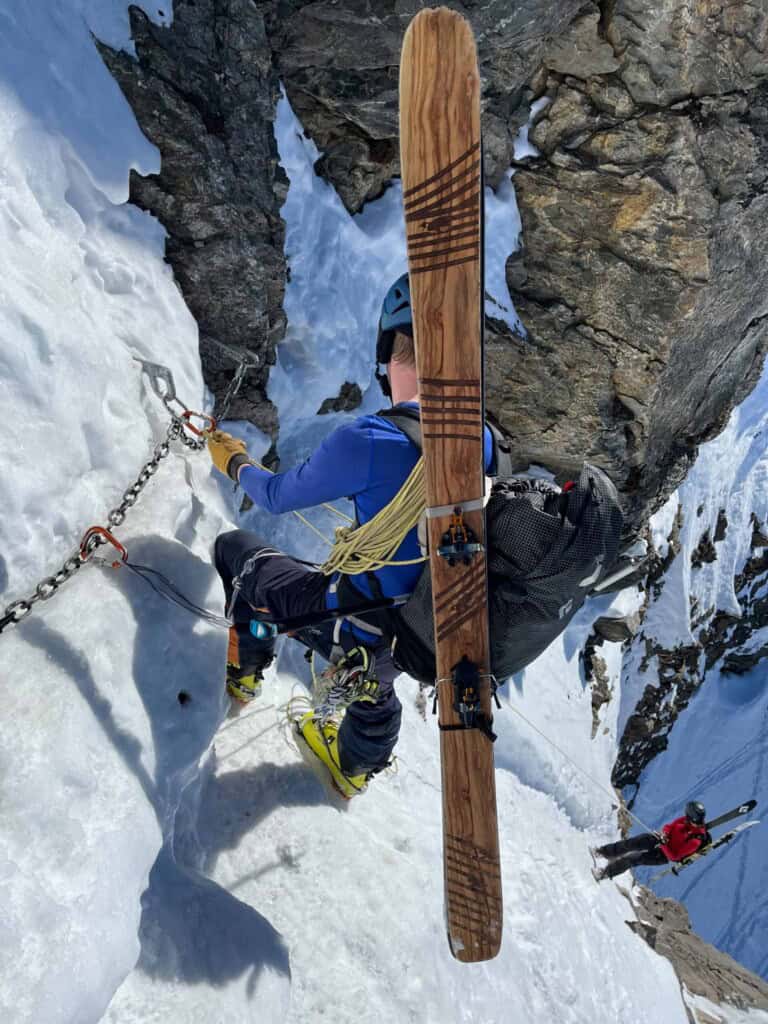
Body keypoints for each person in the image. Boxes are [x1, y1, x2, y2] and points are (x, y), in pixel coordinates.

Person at [208, 273, 495, 798]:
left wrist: (236, 462)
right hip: (423, 633)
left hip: (354, 620)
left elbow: (274, 497)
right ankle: (354, 763)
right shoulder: (484, 441)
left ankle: (244, 668)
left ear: (388, 355)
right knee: (372, 681)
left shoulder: (371, 439)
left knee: (240, 558)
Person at [591, 801, 712, 881]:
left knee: (633, 859)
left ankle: (605, 873)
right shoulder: (685, 820)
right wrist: (664, 834)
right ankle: (604, 852)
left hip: (663, 855)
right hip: (661, 840)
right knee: (633, 843)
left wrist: (664, 844)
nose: (685, 813)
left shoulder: (696, 841)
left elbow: (674, 857)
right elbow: (669, 826)